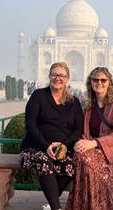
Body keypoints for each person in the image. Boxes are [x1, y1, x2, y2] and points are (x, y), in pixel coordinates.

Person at [66, 67, 113, 210]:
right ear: (90, 83)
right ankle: (88, 205)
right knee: (80, 156)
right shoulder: (89, 105)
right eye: (95, 80)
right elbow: (85, 132)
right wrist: (82, 143)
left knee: (86, 162)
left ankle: (96, 205)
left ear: (109, 83)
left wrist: (93, 143)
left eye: (103, 80)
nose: (99, 83)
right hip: (96, 148)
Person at [20, 62, 84, 210]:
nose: (57, 78)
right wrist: (46, 146)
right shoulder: (38, 96)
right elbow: (30, 125)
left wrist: (64, 146)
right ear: (49, 76)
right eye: (54, 74)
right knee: (44, 161)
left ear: (67, 79)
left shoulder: (73, 102)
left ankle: (52, 203)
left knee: (72, 165)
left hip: (61, 149)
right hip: (35, 147)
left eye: (62, 75)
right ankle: (56, 208)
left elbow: (78, 130)